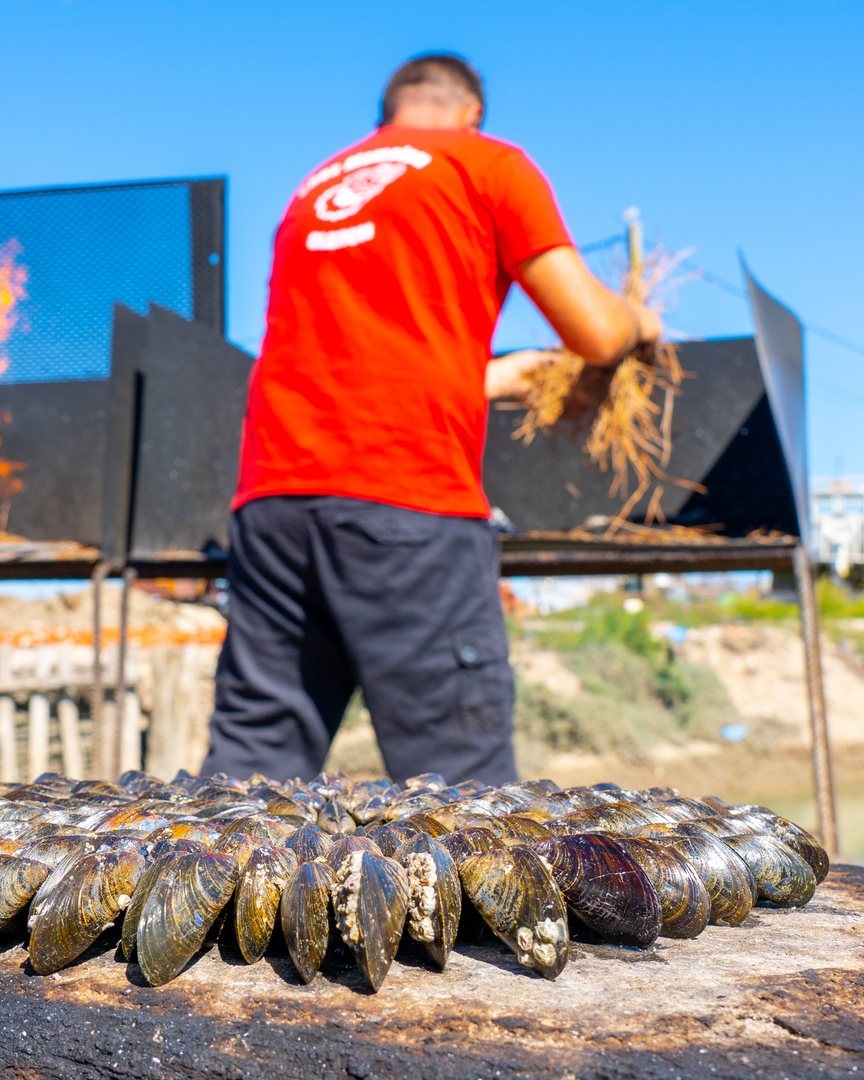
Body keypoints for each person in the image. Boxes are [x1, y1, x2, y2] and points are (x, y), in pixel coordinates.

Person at [201, 53, 661, 785]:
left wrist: (483, 378)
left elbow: (356, 359)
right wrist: (640, 318)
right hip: (405, 507)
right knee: (464, 804)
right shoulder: (487, 163)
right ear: (472, 112)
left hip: (272, 508)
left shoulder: (315, 189)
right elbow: (596, 335)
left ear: (386, 115)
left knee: (248, 787)